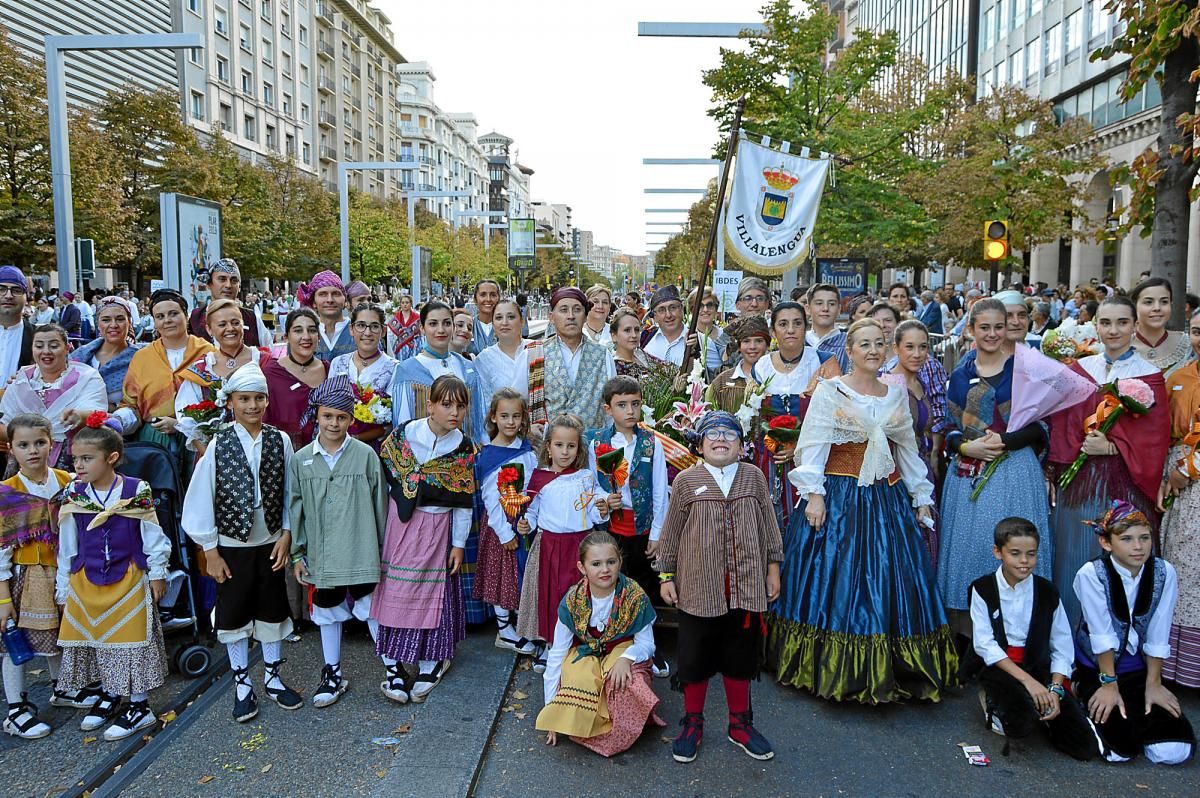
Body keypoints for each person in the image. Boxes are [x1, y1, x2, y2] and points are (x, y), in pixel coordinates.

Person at [773, 319, 956, 704]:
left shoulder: (894, 394)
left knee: (887, 578)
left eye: (878, 344)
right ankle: (833, 666)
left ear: (886, 349)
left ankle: (893, 667)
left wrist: (921, 495)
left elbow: (905, 448)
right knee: (835, 578)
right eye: (864, 345)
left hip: (884, 499)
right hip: (840, 495)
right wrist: (815, 495)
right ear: (851, 351)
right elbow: (813, 445)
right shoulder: (831, 391)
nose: (873, 350)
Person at [657, 410, 782, 763]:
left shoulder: (753, 478)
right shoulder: (686, 481)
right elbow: (672, 533)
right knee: (695, 657)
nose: (721, 439)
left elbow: (768, 527)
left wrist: (773, 569)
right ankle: (692, 723)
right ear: (699, 444)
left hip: (746, 587)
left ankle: (739, 724)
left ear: (742, 446)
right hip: (699, 587)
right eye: (712, 434)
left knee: (739, 656)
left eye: (730, 434)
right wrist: (666, 575)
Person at [181, 363, 303, 723]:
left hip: (268, 540)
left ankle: (273, 677)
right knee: (233, 613)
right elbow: (202, 496)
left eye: (258, 398)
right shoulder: (219, 443)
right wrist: (211, 550)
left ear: (267, 401)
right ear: (231, 401)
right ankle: (242, 684)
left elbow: (289, 492)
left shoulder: (279, 440)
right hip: (231, 544)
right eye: (244, 399)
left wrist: (286, 533)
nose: (252, 405)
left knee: (271, 608)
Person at [1048, 296, 1169, 623]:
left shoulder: (1150, 375)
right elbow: (1062, 423)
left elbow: (1155, 439)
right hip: (1081, 482)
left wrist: (1113, 447)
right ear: (1095, 325)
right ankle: (1071, 651)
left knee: (1126, 561)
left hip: (1125, 482)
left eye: (1122, 322)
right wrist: (1066, 462)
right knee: (1075, 558)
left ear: (1134, 326)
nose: (1113, 330)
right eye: (1105, 323)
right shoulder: (1080, 369)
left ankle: (1126, 653)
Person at [939, 299, 1052, 636]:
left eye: (998, 327)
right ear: (970, 329)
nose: (991, 334)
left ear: (1008, 328)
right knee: (971, 547)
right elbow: (948, 428)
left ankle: (1017, 636)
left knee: (1014, 546)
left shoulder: (1025, 371)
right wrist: (964, 445)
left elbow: (1040, 428)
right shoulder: (961, 376)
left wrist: (1005, 441)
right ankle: (972, 636)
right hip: (969, 473)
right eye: (983, 327)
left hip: (1015, 471)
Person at [55, 421, 170, 741]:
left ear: (111, 458)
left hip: (129, 577)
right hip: (87, 579)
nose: (78, 465)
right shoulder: (74, 493)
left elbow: (152, 534)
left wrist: (158, 573)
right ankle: (110, 693)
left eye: (87, 458)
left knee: (131, 644)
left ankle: (139, 705)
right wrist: (64, 585)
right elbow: (67, 542)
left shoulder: (136, 490)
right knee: (99, 641)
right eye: (75, 459)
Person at [372, 375, 477, 703]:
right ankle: (394, 665)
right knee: (394, 590)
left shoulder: (462, 448)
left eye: (460, 406)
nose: (454, 412)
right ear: (429, 405)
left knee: (436, 595)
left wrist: (458, 544)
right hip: (399, 526)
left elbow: (463, 501)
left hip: (436, 529)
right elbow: (385, 482)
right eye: (446, 404)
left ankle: (432, 661)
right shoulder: (403, 435)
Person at [288, 377, 389, 708]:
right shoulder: (302, 459)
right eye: (328, 416)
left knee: (369, 604)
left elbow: (379, 505)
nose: (334, 423)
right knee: (328, 607)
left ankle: (392, 667)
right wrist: (298, 553)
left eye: (341, 417)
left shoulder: (364, 456)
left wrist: (381, 549)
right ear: (317, 415)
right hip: (322, 551)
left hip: (360, 546)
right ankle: (332, 672)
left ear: (351, 419)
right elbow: (296, 507)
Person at [1072, 501, 1195, 764]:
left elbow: (1159, 630)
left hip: (1140, 669)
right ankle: (1081, 688)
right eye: (1126, 539)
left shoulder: (1164, 572)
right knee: (1119, 752)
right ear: (1106, 543)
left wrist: (1154, 684)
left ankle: (1137, 708)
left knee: (1174, 750)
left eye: (1144, 538)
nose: (1138, 547)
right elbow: (1102, 635)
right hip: (1100, 668)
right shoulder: (1092, 574)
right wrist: (1109, 685)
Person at [964, 517, 1097, 760]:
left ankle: (1043, 708)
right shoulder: (982, 589)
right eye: (1015, 553)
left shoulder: (1047, 591)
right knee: (1020, 724)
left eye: (1031, 554)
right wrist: (1030, 683)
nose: (1024, 562)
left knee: (1083, 746)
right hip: (1000, 666)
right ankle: (993, 698)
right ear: (998, 552)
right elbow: (985, 644)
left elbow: (1062, 644)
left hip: (1038, 663)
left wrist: (1055, 689)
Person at [536, 530, 662, 756]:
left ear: (620, 562)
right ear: (582, 568)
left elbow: (647, 644)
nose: (605, 570)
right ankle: (588, 724)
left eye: (611, 562)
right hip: (588, 653)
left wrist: (627, 658)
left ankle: (619, 730)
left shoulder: (634, 595)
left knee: (624, 681)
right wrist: (551, 709)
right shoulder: (573, 600)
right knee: (576, 676)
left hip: (622, 650)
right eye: (596, 564)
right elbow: (557, 653)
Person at [0, 415, 82, 740]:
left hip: (64, 569)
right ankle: (16, 709)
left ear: (52, 443)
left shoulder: (68, 481)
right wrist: (3, 598)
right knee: (13, 642)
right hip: (26, 574)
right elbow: (1, 550)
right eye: (23, 445)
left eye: (39, 442)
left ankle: (62, 688)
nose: (32, 450)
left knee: (60, 635)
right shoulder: (7, 493)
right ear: (12, 450)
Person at [515, 414, 609, 671]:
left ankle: (579, 643)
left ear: (579, 448)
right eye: (559, 445)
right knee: (552, 595)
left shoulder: (585, 478)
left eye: (571, 445)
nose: (565, 451)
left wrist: (602, 508)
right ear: (548, 446)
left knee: (581, 596)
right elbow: (532, 512)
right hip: (550, 547)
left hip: (581, 547)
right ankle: (551, 644)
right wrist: (525, 524)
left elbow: (593, 512)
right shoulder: (539, 478)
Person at [587, 376, 668, 676]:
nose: (630, 411)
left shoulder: (651, 443)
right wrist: (606, 499)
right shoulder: (599, 442)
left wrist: (657, 534)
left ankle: (648, 647)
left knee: (644, 587)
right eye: (622, 405)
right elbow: (591, 484)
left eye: (635, 404)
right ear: (608, 409)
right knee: (612, 583)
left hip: (642, 529)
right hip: (612, 530)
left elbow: (660, 490)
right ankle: (612, 643)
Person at [751, 302, 842, 529]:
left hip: (814, 461)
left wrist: (798, 449)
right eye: (783, 324)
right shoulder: (761, 366)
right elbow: (754, 420)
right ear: (773, 332)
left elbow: (837, 419)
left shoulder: (823, 362)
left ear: (806, 327)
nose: (790, 329)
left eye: (797, 323)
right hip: (770, 457)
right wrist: (776, 447)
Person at [474, 388, 538, 655]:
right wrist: (504, 533)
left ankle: (521, 622)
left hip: (524, 521)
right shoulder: (489, 455)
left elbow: (534, 489)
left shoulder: (528, 450)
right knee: (501, 576)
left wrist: (530, 521)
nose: (511, 422)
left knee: (520, 575)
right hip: (502, 524)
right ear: (493, 417)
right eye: (504, 416)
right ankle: (503, 629)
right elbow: (491, 499)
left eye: (516, 416)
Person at [0, 325, 107, 470]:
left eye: (54, 346)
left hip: (73, 459)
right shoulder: (22, 378)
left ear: (68, 348)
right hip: (25, 459)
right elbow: (5, 422)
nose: (46, 351)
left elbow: (97, 412)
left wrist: (78, 416)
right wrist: (27, 437)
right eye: (39, 346)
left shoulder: (87, 377)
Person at [1161, 307, 1200, 687]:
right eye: (1197, 331)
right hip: (1177, 476)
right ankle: (1178, 667)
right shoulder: (1181, 376)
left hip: (1191, 476)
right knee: (1179, 561)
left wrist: (1188, 470)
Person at [174, 298, 269, 453]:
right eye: (222, 324)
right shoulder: (201, 369)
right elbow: (187, 420)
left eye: (235, 322)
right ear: (209, 329)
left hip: (262, 450)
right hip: (214, 455)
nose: (230, 328)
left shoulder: (265, 361)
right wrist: (211, 458)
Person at [884, 320, 942, 564]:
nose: (917, 354)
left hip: (923, 467)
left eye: (923, 347)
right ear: (896, 348)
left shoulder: (921, 383)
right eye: (909, 347)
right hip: (898, 476)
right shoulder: (886, 385)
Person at [390, 301, 487, 445]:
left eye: (447, 323)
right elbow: (403, 426)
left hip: (466, 457)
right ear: (422, 328)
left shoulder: (467, 366)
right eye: (433, 324)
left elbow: (479, 420)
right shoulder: (407, 370)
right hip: (425, 456)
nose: (441, 330)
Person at [526, 288, 616, 432]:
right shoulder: (536, 353)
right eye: (563, 310)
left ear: (586, 316)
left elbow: (611, 406)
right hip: (548, 447)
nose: (570, 316)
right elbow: (522, 400)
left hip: (593, 445)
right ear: (552, 317)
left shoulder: (602, 355)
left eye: (577, 310)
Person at [328, 303, 397, 449]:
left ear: (383, 331)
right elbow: (329, 407)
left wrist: (356, 438)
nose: (367, 332)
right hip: (336, 444)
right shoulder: (338, 363)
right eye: (361, 325)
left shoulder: (395, 368)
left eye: (374, 326)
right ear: (351, 329)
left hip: (376, 449)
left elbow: (392, 420)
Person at [262, 307, 327, 450]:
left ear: (319, 336)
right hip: (284, 453)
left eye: (312, 330)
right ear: (286, 337)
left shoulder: (330, 370)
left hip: (326, 454)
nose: (306, 336)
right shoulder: (272, 373)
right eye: (298, 330)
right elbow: (263, 421)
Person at [69, 296, 143, 412]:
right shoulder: (79, 356)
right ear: (98, 324)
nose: (113, 325)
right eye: (106, 320)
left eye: (120, 319)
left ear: (129, 322)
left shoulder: (140, 359)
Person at [187, 259, 270, 347]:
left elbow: (269, 353)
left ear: (239, 287)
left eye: (234, 280)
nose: (228, 285)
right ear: (209, 284)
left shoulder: (252, 318)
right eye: (222, 279)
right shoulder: (195, 318)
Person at [705, 315, 770, 414]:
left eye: (759, 341)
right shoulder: (721, 382)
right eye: (746, 341)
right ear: (739, 346)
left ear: (767, 345)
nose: (752, 347)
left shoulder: (777, 378)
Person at [476, 298, 532, 415]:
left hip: (539, 427)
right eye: (499, 318)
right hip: (500, 429)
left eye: (511, 317)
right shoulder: (484, 359)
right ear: (493, 323)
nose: (504, 323)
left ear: (522, 321)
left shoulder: (537, 349)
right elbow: (485, 404)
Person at [1131, 277, 1195, 376]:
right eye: (1148, 302)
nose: (1157, 308)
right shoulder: (1121, 346)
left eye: (1164, 302)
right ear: (1135, 305)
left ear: (1171, 304)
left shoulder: (1188, 345)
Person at [642, 286, 705, 368]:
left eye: (673, 308)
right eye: (661, 310)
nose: (668, 315)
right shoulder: (645, 339)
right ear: (654, 315)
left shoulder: (702, 341)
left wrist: (694, 352)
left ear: (682, 309)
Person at [298, 271, 354, 363]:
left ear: (345, 301)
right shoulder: (302, 335)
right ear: (314, 302)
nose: (330, 300)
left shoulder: (361, 331)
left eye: (336, 294)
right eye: (322, 294)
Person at [610, 308, 669, 382]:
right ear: (614, 336)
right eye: (627, 330)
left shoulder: (640, 354)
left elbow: (669, 369)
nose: (634, 335)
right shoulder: (614, 368)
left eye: (637, 330)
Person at [0, 266, 35, 388]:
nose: (8, 295)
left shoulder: (39, 338)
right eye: (1, 289)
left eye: (16, 290)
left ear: (26, 297)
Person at [805, 284, 850, 371]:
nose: (825, 308)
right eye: (819, 303)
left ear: (839, 309)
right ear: (808, 308)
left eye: (832, 304)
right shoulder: (800, 341)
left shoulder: (849, 342)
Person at [689, 287, 728, 376]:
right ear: (692, 310)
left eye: (709, 305)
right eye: (700, 306)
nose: (705, 310)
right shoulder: (689, 336)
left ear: (716, 308)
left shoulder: (725, 335)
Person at [467, 279, 500, 355]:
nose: (488, 299)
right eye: (483, 295)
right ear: (475, 299)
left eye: (493, 295)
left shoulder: (506, 326)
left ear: (499, 298)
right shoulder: (468, 327)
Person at [386, 293, 421, 361]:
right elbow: (390, 334)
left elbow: (420, 333)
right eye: (403, 303)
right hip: (399, 346)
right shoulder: (396, 317)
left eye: (407, 302)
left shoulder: (417, 317)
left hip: (413, 346)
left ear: (411, 304)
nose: (405, 304)